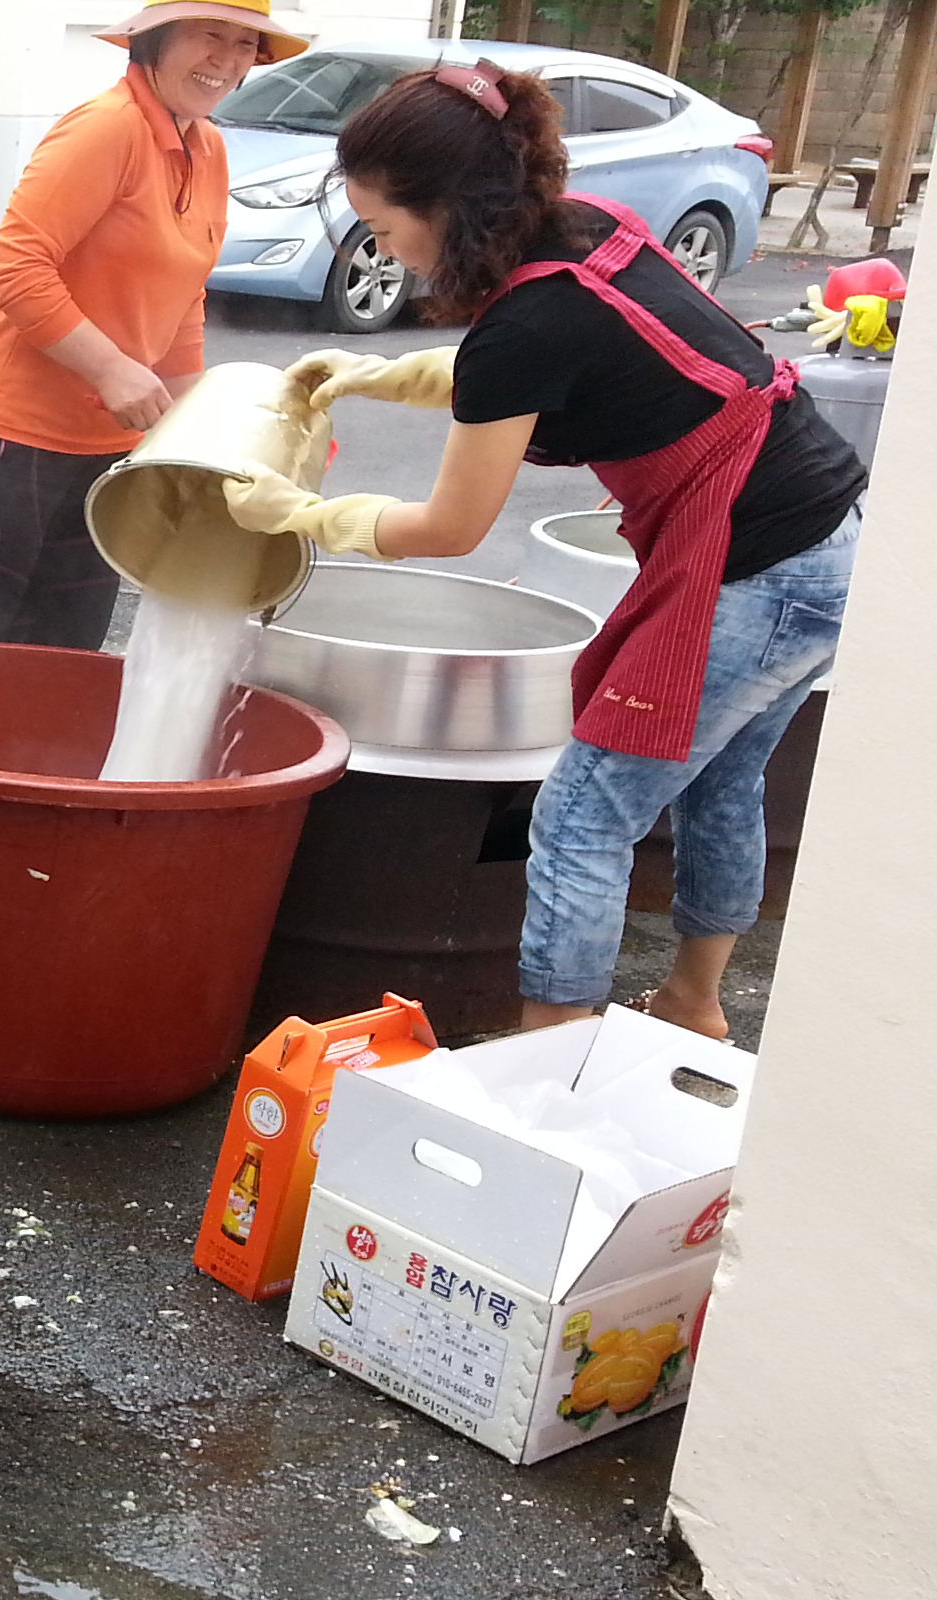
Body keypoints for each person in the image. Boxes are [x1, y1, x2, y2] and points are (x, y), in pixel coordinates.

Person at [225, 61, 865, 1040]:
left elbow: (449, 528)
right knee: (722, 781)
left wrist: (300, 513)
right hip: (829, 545)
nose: (385, 252)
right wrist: (373, 374)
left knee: (580, 817)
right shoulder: (586, 230)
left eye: (385, 229)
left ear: (446, 207)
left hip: (760, 574)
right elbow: (538, 367)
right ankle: (693, 1005)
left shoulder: (524, 324)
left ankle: (549, 1064)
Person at [0, 0, 304, 648]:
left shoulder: (209, 148)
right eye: (209, 35)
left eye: (245, 43)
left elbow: (184, 295)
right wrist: (110, 368)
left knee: (68, 645)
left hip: (114, 451)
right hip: (11, 434)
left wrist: (195, 434)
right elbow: (16, 266)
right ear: (155, 39)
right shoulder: (106, 129)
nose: (226, 60)